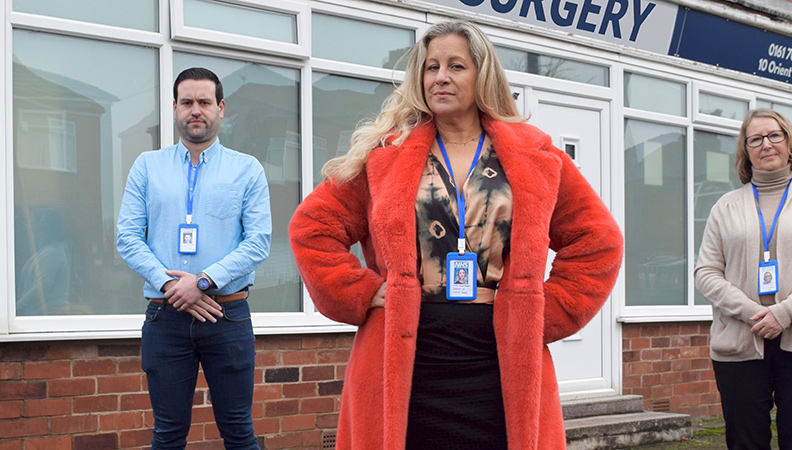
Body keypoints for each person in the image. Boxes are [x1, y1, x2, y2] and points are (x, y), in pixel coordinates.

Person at [289, 20, 623, 449]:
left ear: (481, 75)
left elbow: (598, 241)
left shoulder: (534, 155)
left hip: (499, 361)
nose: (440, 77)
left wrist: (543, 311)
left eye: (456, 66)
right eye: (431, 67)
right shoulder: (386, 156)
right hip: (407, 357)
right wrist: (358, 290)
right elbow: (312, 228)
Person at [117, 67, 271, 450]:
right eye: (187, 102)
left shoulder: (247, 169)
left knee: (238, 431)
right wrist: (173, 285)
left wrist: (201, 282)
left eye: (204, 102)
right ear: (174, 108)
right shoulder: (146, 167)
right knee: (167, 434)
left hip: (227, 315)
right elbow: (128, 237)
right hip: (165, 318)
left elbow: (258, 242)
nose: (195, 110)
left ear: (221, 108)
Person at [695, 109, 792, 449]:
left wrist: (784, 313)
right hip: (741, 341)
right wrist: (753, 312)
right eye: (755, 139)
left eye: (774, 135)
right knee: (744, 441)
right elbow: (706, 273)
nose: (766, 144)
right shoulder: (726, 206)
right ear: (746, 150)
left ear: (789, 142)